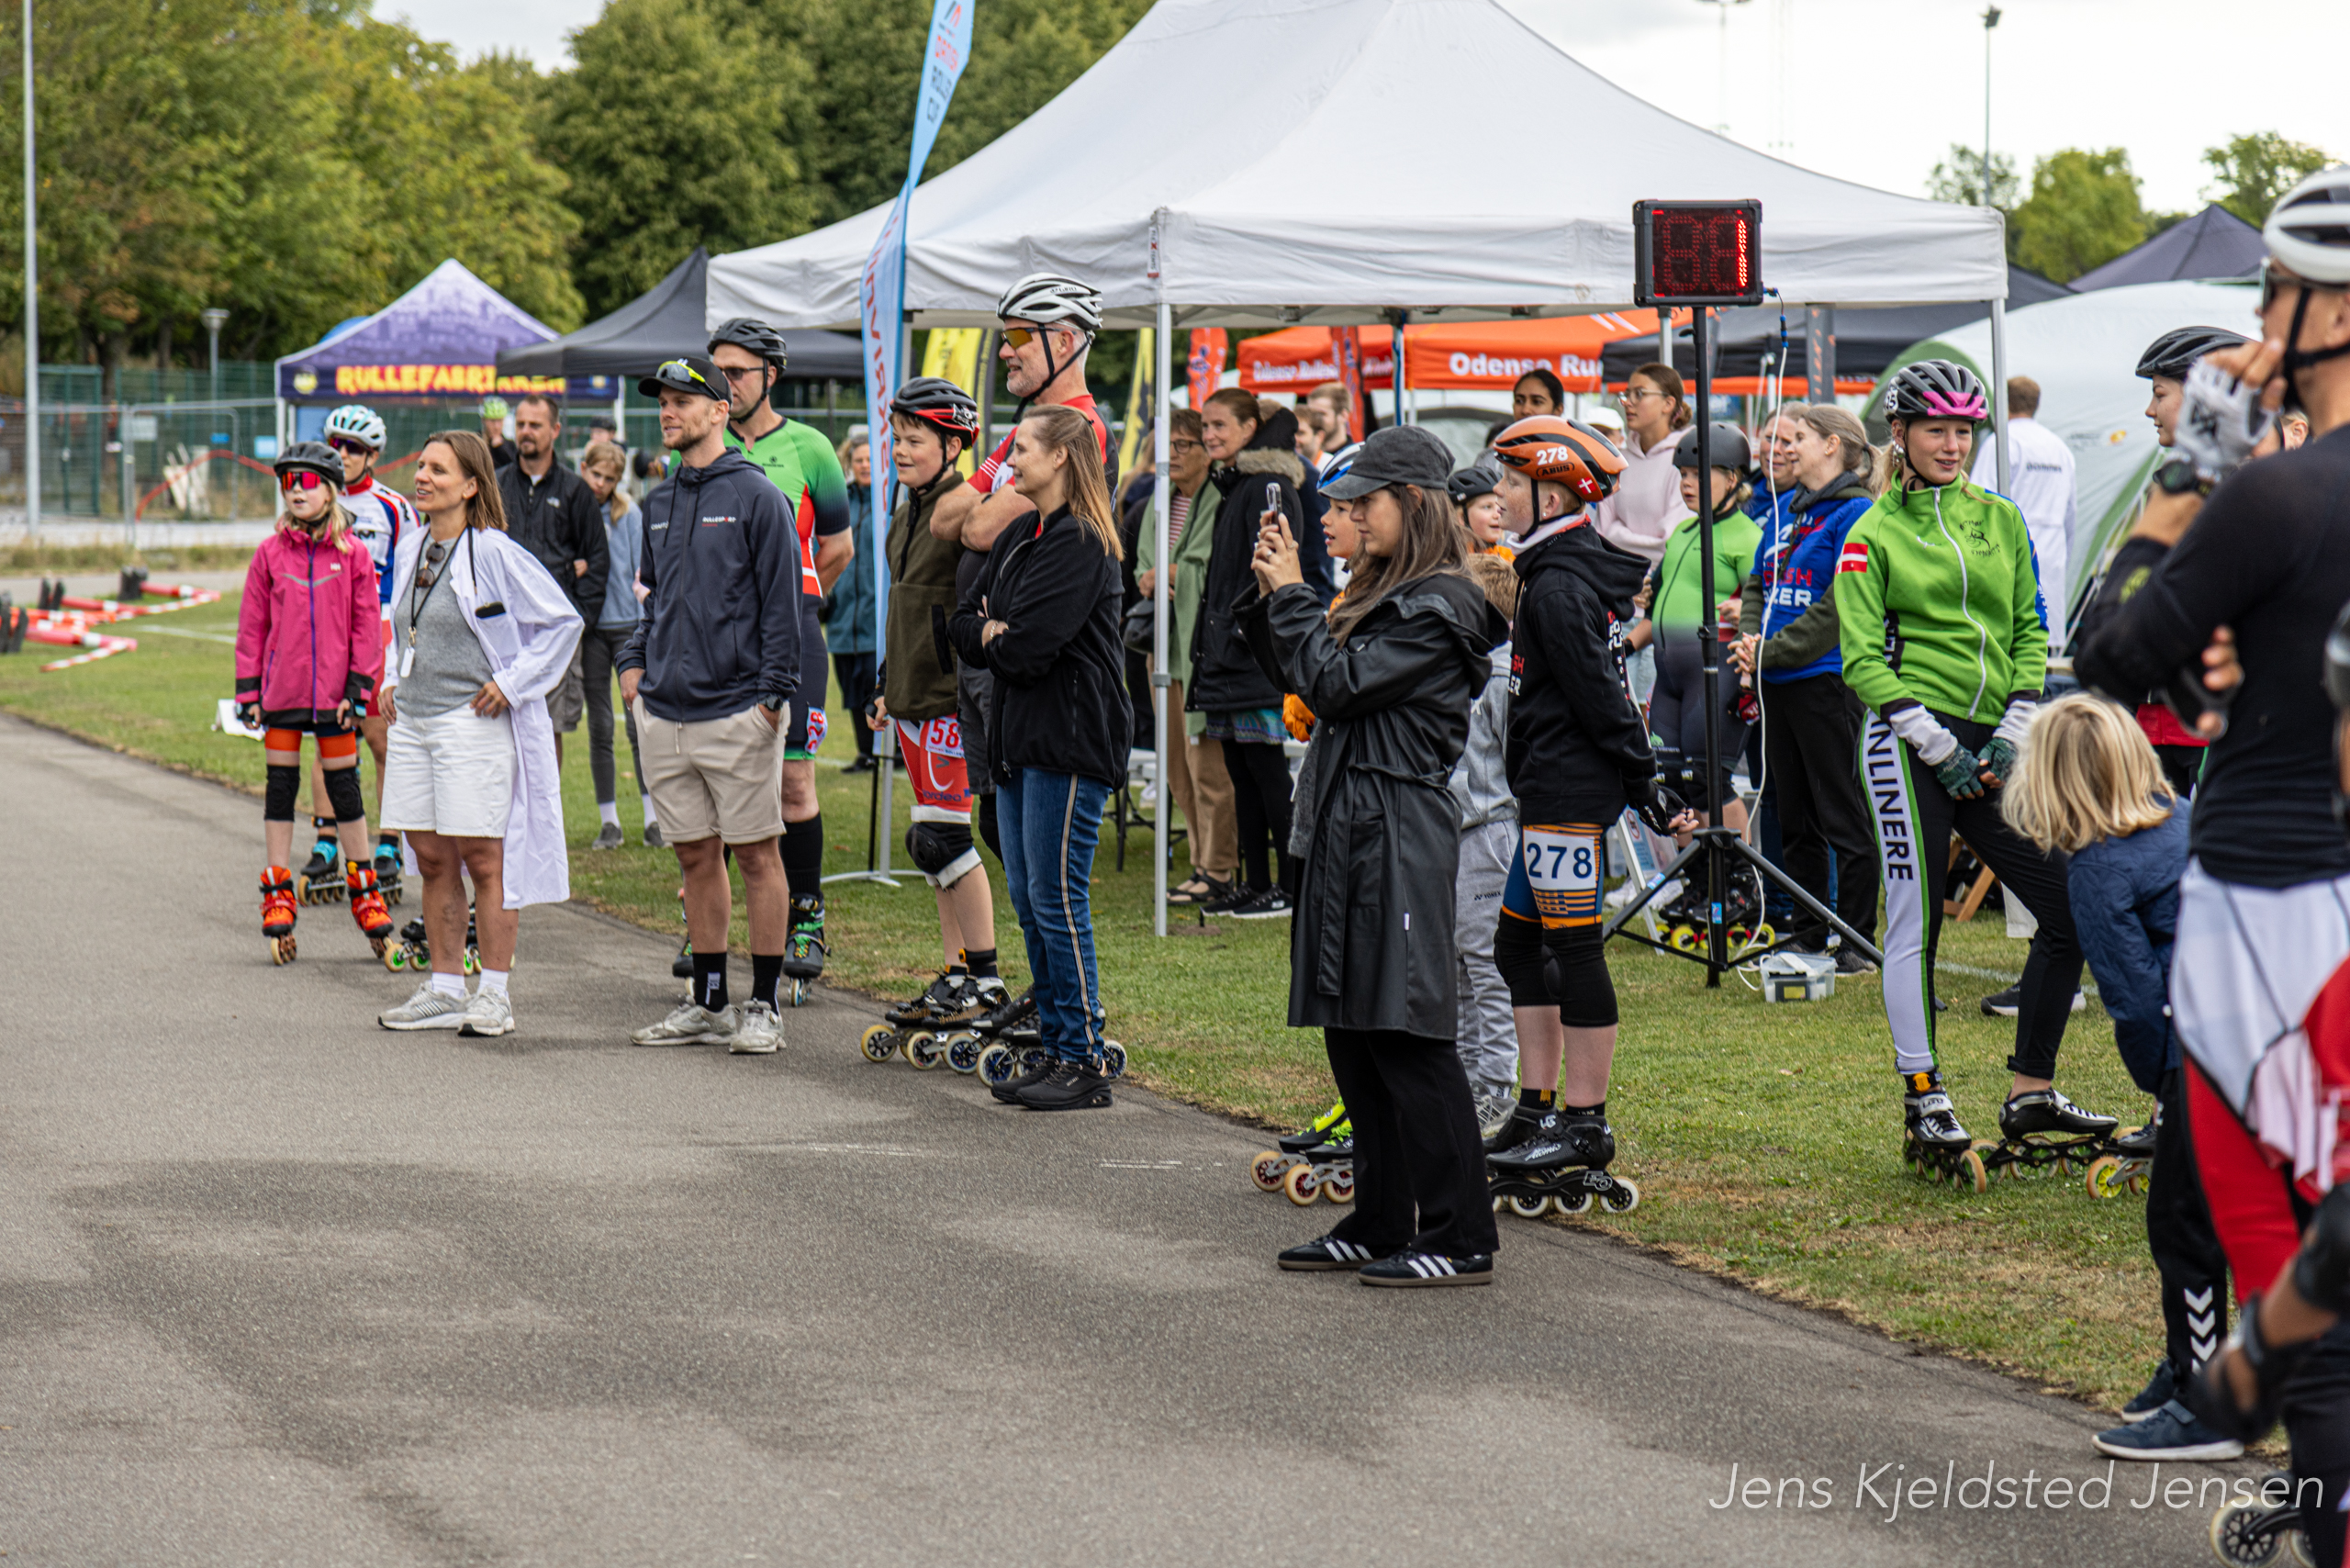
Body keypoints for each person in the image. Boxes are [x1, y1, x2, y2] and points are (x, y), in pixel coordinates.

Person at [2075, 168, 2350, 1551]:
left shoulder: (2278, 495)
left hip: (2272, 902)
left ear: (2332, 312)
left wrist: (2188, 475)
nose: (2260, 318)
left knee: (2294, 1255)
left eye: (2279, 289)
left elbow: (2107, 652)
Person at [1246, 423, 1506, 1285]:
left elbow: (1335, 685)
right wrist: (1272, 589)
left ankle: (1461, 1236)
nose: (1347, 516)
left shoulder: (1442, 603)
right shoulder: (1384, 592)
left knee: (1406, 1032)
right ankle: (1383, 1218)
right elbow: (1301, 671)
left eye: (1363, 503)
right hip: (1347, 820)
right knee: (1354, 1032)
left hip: (1395, 826)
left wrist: (1294, 595)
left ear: (1414, 504)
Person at [1834, 358, 2109, 1167]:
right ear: (1900, 433)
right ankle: (1924, 1099)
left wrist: (2011, 730)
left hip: (1994, 740)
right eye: (1936, 430)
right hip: (1907, 740)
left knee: (2069, 907)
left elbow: (2030, 625)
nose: (1952, 445)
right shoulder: (1872, 532)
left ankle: (2031, 1093)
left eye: (1964, 430)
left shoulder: (2001, 516)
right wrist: (1938, 745)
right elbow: (1861, 659)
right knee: (1915, 921)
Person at [2000, 693, 2239, 1462]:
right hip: (2271, 1029)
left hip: (2205, 1052)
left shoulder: (2098, 867)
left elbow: (2134, 1001)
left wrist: (2163, 1090)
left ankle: (2207, 1400)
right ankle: (2189, 1363)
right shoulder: (2185, 815)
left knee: (2181, 1223)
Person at [1480, 415, 1679, 1193]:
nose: (1499, 494)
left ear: (1553, 495)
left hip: (1568, 788)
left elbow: (1602, 695)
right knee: (1516, 946)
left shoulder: (1558, 584)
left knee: (1574, 949)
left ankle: (1585, 1124)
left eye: (1511, 483)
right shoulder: (1547, 568)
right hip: (1547, 785)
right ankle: (1534, 1112)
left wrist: (1640, 777)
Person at [616, 357, 802, 1056]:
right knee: (696, 857)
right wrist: (633, 663)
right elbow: (656, 601)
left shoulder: (758, 496)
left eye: (682, 401)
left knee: (756, 856)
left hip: (739, 710)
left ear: (720, 411)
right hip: (665, 712)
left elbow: (784, 608)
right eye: (662, 401)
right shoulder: (658, 501)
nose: (667, 411)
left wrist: (771, 700)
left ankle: (765, 1004)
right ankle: (710, 1001)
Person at [947, 405, 1127, 1111]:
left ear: (1060, 458)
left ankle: (1082, 1056)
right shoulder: (1024, 532)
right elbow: (962, 620)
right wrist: (992, 629)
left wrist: (997, 631)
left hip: (1070, 740)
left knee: (1056, 898)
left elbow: (1026, 648)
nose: (1010, 460)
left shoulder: (1082, 540)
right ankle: (1055, 1045)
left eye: (1021, 448)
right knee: (1029, 897)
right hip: (1023, 736)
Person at [375, 431, 583, 1037]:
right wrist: (392, 677)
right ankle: (444, 989)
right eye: (420, 466)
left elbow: (562, 623)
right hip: (412, 721)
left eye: (438, 470)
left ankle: (494, 994)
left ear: (471, 485)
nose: (422, 476)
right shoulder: (413, 547)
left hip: (471, 724)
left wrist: (513, 684)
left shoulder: (493, 552)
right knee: (431, 857)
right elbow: (403, 627)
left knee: (485, 860)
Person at [932, 274, 1114, 874]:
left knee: (1028, 854)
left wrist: (981, 503)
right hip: (984, 651)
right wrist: (982, 504)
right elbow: (944, 519)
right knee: (992, 819)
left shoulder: (1078, 430)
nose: (1005, 351)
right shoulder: (1026, 430)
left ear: (1063, 341)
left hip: (1024, 658)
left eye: (1017, 337)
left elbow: (980, 528)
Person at [704, 319, 854, 989]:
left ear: (771, 375)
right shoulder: (700, 442)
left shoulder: (810, 447)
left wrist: (797, 601)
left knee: (794, 783)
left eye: (737, 372)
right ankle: (705, 924)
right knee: (717, 780)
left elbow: (838, 548)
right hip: (717, 637)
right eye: (718, 371)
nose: (725, 384)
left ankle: (808, 921)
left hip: (791, 632)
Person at [867, 378, 1007, 1032]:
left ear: (954, 445)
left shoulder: (965, 511)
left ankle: (987, 979)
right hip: (911, 695)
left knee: (945, 838)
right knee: (931, 846)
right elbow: (905, 604)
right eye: (896, 438)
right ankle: (956, 973)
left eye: (915, 439)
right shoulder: (906, 511)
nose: (900, 449)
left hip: (950, 698)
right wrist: (884, 682)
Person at [1732, 403, 1881, 969]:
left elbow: (1838, 607)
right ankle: (1809, 932)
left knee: (1842, 813)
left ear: (1832, 446)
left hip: (1826, 682)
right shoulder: (1787, 509)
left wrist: (1768, 652)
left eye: (1798, 438)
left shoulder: (1856, 512)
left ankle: (1858, 940)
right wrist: (1750, 642)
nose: (1785, 448)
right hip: (1776, 682)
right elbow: (1756, 585)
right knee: (1794, 819)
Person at [236, 441, 393, 965]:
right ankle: (278, 889)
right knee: (280, 788)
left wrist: (358, 688)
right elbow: (252, 626)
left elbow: (366, 626)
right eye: (287, 482)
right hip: (282, 692)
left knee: (345, 791)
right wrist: (249, 691)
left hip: (334, 696)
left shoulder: (354, 555)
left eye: (306, 482)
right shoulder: (269, 554)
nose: (295, 491)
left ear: (330, 490)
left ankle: (365, 891)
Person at [1188, 389, 1318, 919]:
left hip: (1253, 654)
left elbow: (1272, 563)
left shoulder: (1268, 485)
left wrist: (1241, 630)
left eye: (1219, 425)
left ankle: (1290, 885)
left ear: (1250, 429)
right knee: (1241, 773)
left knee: (1266, 772)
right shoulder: (1237, 483)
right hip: (1227, 654)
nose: (1209, 435)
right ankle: (1255, 881)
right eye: (1205, 426)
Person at [2122, 325, 2254, 799]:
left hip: (2212, 724)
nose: (2149, 409)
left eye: (2160, 394)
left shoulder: (2245, 491)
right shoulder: (2174, 481)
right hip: (2154, 720)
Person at [1629, 422, 1760, 838]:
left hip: (1715, 671)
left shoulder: (1748, 537)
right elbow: (1654, 612)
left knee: (1706, 780)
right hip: (1669, 677)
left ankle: (1737, 873)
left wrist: (1747, 609)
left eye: (1698, 475)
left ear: (1732, 479)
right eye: (1682, 474)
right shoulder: (1683, 533)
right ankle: (1694, 873)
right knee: (1669, 780)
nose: (1686, 483)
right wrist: (1623, 647)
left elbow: (1765, 605)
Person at [1135, 408, 1241, 908]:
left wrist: (1172, 571)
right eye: (1166, 445)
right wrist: (1156, 574)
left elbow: (1208, 566)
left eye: (1183, 445)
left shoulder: (1219, 498)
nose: (1172, 455)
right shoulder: (1161, 499)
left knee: (1207, 766)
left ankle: (1219, 868)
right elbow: (1144, 564)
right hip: (1164, 650)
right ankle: (1200, 863)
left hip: (1200, 653)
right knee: (1176, 767)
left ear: (1206, 452)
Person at [320, 403, 418, 896]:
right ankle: (325, 840)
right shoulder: (317, 499)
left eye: (354, 448)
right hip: (327, 626)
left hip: (377, 625)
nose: (343, 454)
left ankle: (388, 842)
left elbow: (412, 570)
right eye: (336, 444)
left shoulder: (393, 507)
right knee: (328, 735)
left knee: (381, 739)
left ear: (373, 455)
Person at [495, 394, 608, 770]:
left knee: (548, 728)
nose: (525, 432)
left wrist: (578, 620)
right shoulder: (496, 485)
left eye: (535, 425)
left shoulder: (576, 491)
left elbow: (597, 561)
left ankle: (546, 807)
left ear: (555, 430)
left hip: (553, 631)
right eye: (521, 424)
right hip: (503, 630)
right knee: (500, 725)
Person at [1451, 551, 1521, 1133]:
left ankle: (1496, 1086)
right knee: (1454, 969)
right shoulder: (1458, 669)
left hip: (1488, 837)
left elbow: (1515, 761)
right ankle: (1461, 1082)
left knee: (1486, 967)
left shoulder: (1500, 678)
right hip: (1449, 837)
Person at [576, 440, 655, 849]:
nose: (601, 484)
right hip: (591, 631)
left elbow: (643, 571)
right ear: (583, 468)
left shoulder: (631, 515)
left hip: (628, 630)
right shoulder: (575, 511)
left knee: (639, 726)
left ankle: (653, 818)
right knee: (600, 726)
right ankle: (609, 822)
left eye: (609, 479)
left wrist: (645, 627)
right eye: (596, 475)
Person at [1968, 375, 2077, 650]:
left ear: (2003, 402)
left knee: (2011, 640)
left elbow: (1977, 502)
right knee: (2044, 641)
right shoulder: (2059, 448)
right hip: (2052, 554)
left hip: (2010, 553)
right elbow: (2070, 514)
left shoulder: (2001, 442)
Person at [1594, 363, 1692, 564]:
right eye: (1627, 394)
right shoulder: (1615, 462)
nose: (1628, 403)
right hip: (1616, 577)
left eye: (1639, 394)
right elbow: (1600, 537)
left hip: (1663, 578)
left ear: (1668, 404)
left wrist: (1616, 534)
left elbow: (1672, 542)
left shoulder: (1686, 461)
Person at [829, 429, 880, 772]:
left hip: (876, 618)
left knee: (874, 686)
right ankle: (865, 753)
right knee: (850, 688)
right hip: (843, 617)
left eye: (870, 460)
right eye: (859, 460)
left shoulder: (891, 504)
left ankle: (887, 751)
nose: (864, 465)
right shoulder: (839, 504)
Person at [1448, 459, 1508, 553]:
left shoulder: (1511, 557)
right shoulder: (1444, 559)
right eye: (1487, 507)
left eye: (1500, 506)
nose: (1498, 515)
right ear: (1462, 517)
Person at [479, 397, 516, 468]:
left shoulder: (510, 445)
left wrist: (501, 448)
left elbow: (513, 468)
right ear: (483, 420)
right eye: (492, 421)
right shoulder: (475, 441)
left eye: (500, 421)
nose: (496, 426)